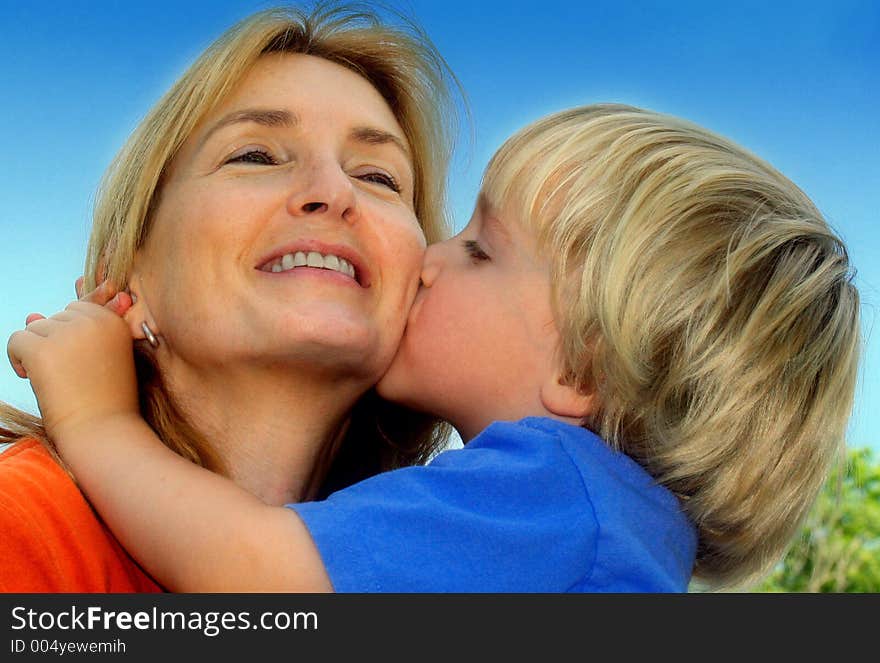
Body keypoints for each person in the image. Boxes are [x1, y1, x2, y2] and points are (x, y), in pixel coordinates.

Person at [10, 104, 861, 592]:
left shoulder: (554, 495)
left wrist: (95, 418)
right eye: (258, 155)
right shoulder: (602, 529)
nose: (428, 259)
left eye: (480, 249)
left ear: (579, 370)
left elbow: (257, 574)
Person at [0, 3, 461, 592]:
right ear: (122, 272)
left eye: (379, 177)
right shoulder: (24, 533)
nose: (333, 191)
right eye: (256, 156)